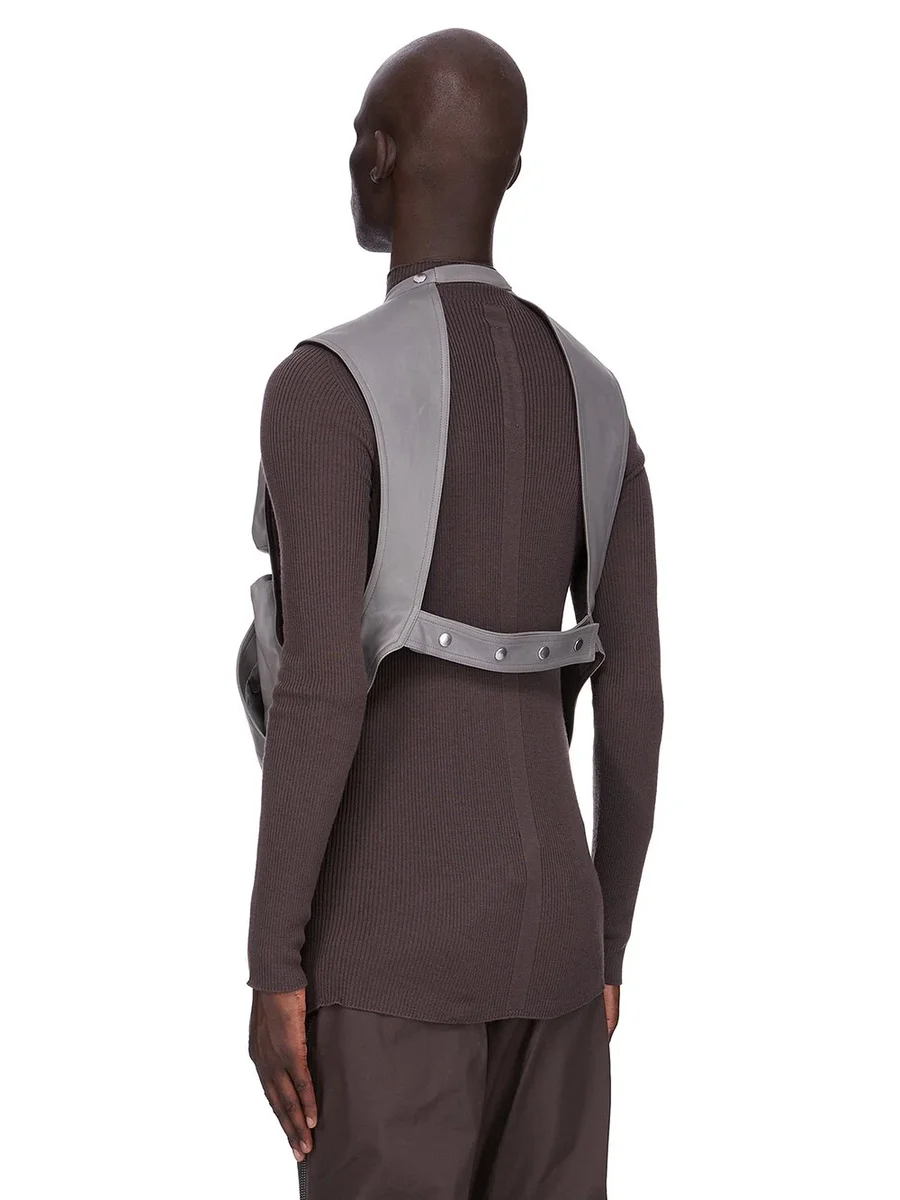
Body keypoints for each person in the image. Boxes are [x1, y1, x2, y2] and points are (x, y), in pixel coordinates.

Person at [245, 26, 663, 1200]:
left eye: (358, 141)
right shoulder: (598, 400)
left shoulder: (322, 386)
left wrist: (273, 961)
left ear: (379, 157)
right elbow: (637, 700)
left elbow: (321, 684)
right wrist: (608, 941)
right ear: (509, 172)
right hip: (559, 948)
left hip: (390, 951)